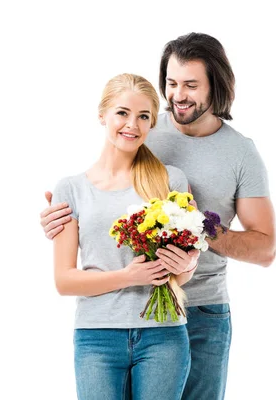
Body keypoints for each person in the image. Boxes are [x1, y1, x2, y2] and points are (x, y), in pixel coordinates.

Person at [42, 33, 276, 400]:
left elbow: (265, 248)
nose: (178, 95)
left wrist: (192, 230)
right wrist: (63, 218)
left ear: (216, 85)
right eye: (171, 83)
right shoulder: (144, 129)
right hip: (118, 312)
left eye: (191, 85)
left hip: (200, 309)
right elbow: (101, 199)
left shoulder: (239, 153)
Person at [52, 73, 199, 400]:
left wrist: (185, 265)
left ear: (151, 125)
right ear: (102, 114)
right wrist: (128, 276)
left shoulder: (171, 181)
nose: (132, 124)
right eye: (122, 112)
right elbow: (64, 280)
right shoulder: (71, 189)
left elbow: (185, 271)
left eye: (143, 116)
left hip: (164, 337)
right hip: (97, 338)